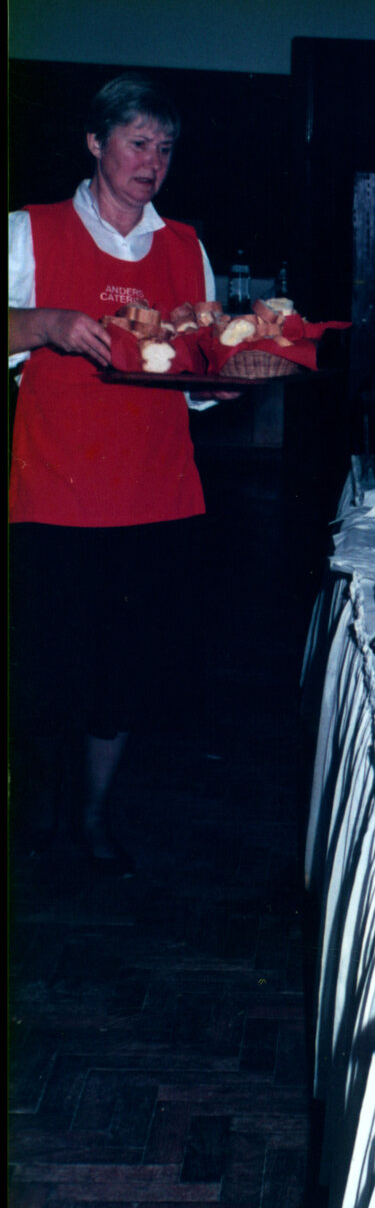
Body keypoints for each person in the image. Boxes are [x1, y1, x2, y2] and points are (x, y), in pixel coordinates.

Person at [9, 71, 225, 874]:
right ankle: (36, 818)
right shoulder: (30, 232)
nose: (153, 161)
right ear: (96, 143)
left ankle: (94, 819)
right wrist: (47, 324)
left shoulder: (184, 247)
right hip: (53, 494)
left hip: (155, 497)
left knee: (122, 682)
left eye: (165, 147)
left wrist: (224, 378)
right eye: (138, 142)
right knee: (43, 676)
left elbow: (199, 380)